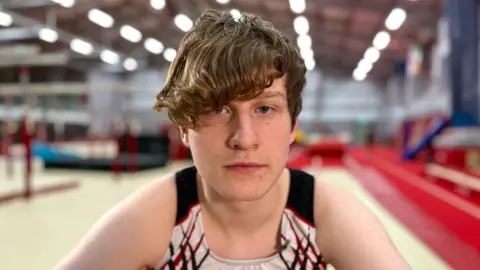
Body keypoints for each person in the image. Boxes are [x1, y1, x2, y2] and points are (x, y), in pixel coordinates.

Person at [55, 9, 410, 270]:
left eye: (265, 110)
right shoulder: (152, 220)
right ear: (183, 127)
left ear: (292, 126)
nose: (244, 139)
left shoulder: (326, 214)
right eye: (218, 110)